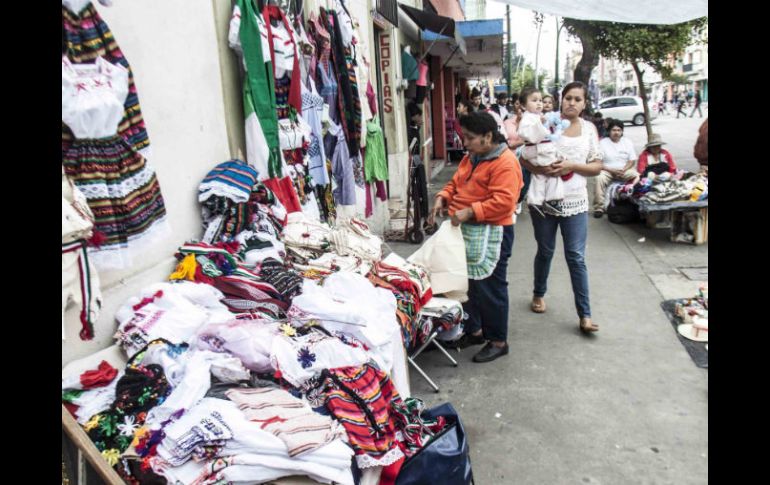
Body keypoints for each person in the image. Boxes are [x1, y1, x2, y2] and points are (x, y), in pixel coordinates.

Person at [429, 111, 523, 362]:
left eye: (469, 138)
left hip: (493, 231)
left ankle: (498, 340)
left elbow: (504, 203)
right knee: (467, 284)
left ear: (488, 136)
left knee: (492, 289)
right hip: (467, 228)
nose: (465, 143)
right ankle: (476, 330)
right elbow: (457, 183)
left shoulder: (506, 162)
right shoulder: (472, 157)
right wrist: (443, 196)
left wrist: (470, 211)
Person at [519, 81, 603, 334]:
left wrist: (571, 166)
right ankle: (538, 293)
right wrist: (539, 169)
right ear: (560, 99)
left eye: (578, 99)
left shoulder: (589, 129)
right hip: (545, 201)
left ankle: (585, 315)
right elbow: (525, 156)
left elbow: (597, 166)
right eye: (568, 98)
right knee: (545, 251)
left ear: (584, 104)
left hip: (575, 202)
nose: (572, 103)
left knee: (576, 257)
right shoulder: (547, 122)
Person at [517, 87, 570, 216]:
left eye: (540, 100)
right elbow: (526, 134)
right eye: (534, 100)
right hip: (537, 149)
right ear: (524, 105)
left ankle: (536, 201)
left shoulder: (537, 116)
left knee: (539, 176)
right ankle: (552, 200)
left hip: (538, 150)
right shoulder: (528, 118)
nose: (539, 103)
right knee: (554, 172)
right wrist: (539, 125)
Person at [593, 119, 641, 217]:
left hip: (624, 170)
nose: (616, 132)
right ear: (609, 131)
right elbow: (598, 162)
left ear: (622, 131)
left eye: (619, 130)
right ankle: (599, 207)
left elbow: (632, 161)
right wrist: (611, 170)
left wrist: (624, 169)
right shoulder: (602, 143)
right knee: (599, 178)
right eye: (614, 130)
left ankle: (635, 203)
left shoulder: (627, 142)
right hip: (607, 170)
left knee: (638, 176)